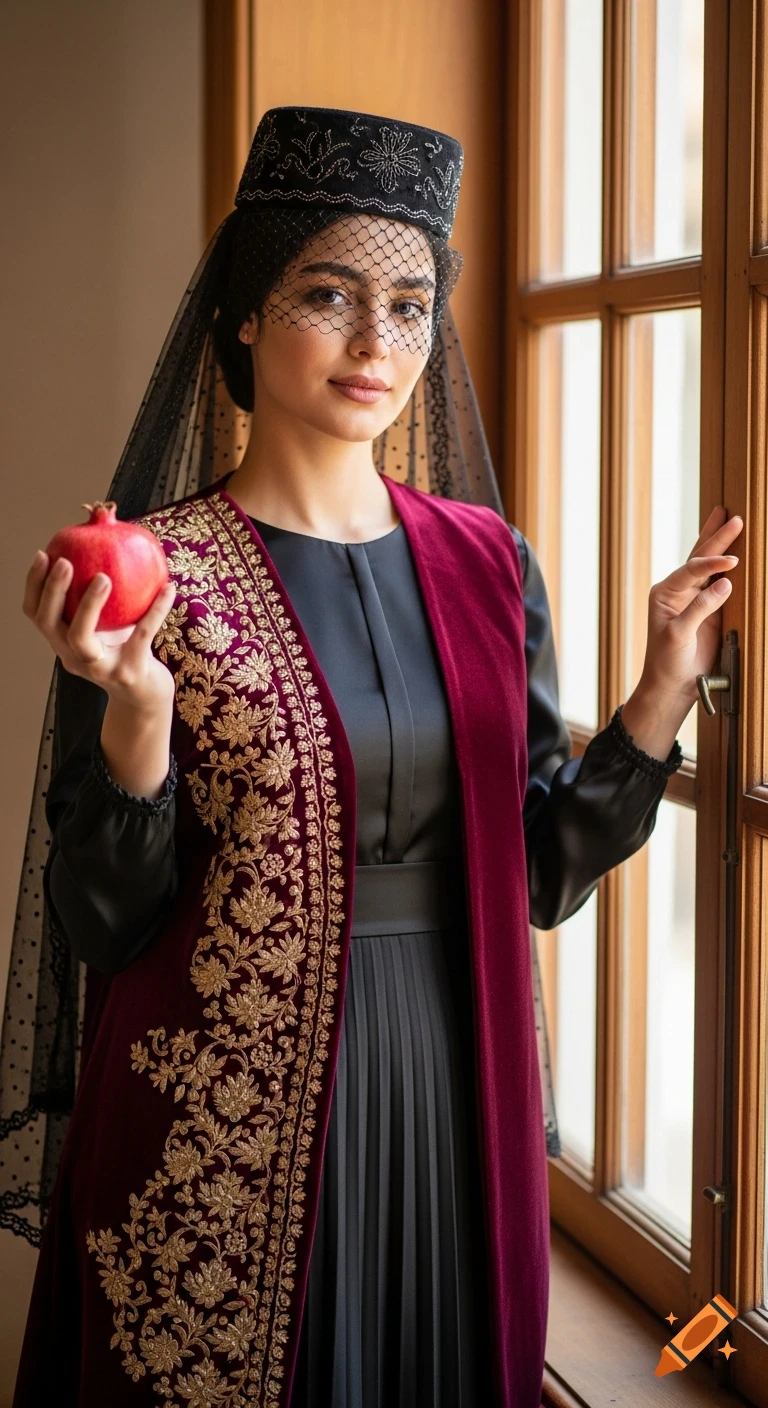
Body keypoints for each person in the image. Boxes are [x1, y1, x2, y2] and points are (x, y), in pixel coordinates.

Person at [3, 106, 741, 1408]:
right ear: (243, 310)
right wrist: (131, 709)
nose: (373, 343)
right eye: (328, 293)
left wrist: (661, 687)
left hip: (458, 1078)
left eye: (410, 305)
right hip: (221, 1103)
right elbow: (103, 922)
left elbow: (540, 870)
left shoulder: (484, 559)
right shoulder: (155, 576)